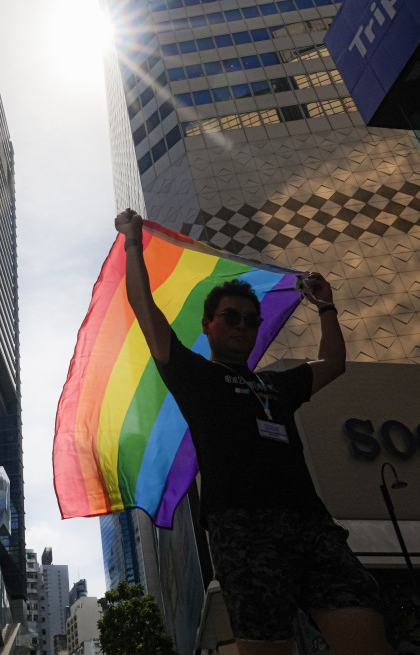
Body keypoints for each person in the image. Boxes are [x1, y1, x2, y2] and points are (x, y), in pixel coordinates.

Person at [114, 209, 393, 655]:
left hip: (311, 525)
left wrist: (325, 306)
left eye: (250, 320)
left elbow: (334, 364)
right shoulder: (195, 376)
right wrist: (132, 242)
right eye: (231, 317)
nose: (242, 326)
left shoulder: (276, 385)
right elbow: (144, 308)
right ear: (208, 325)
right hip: (243, 528)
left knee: (366, 633)